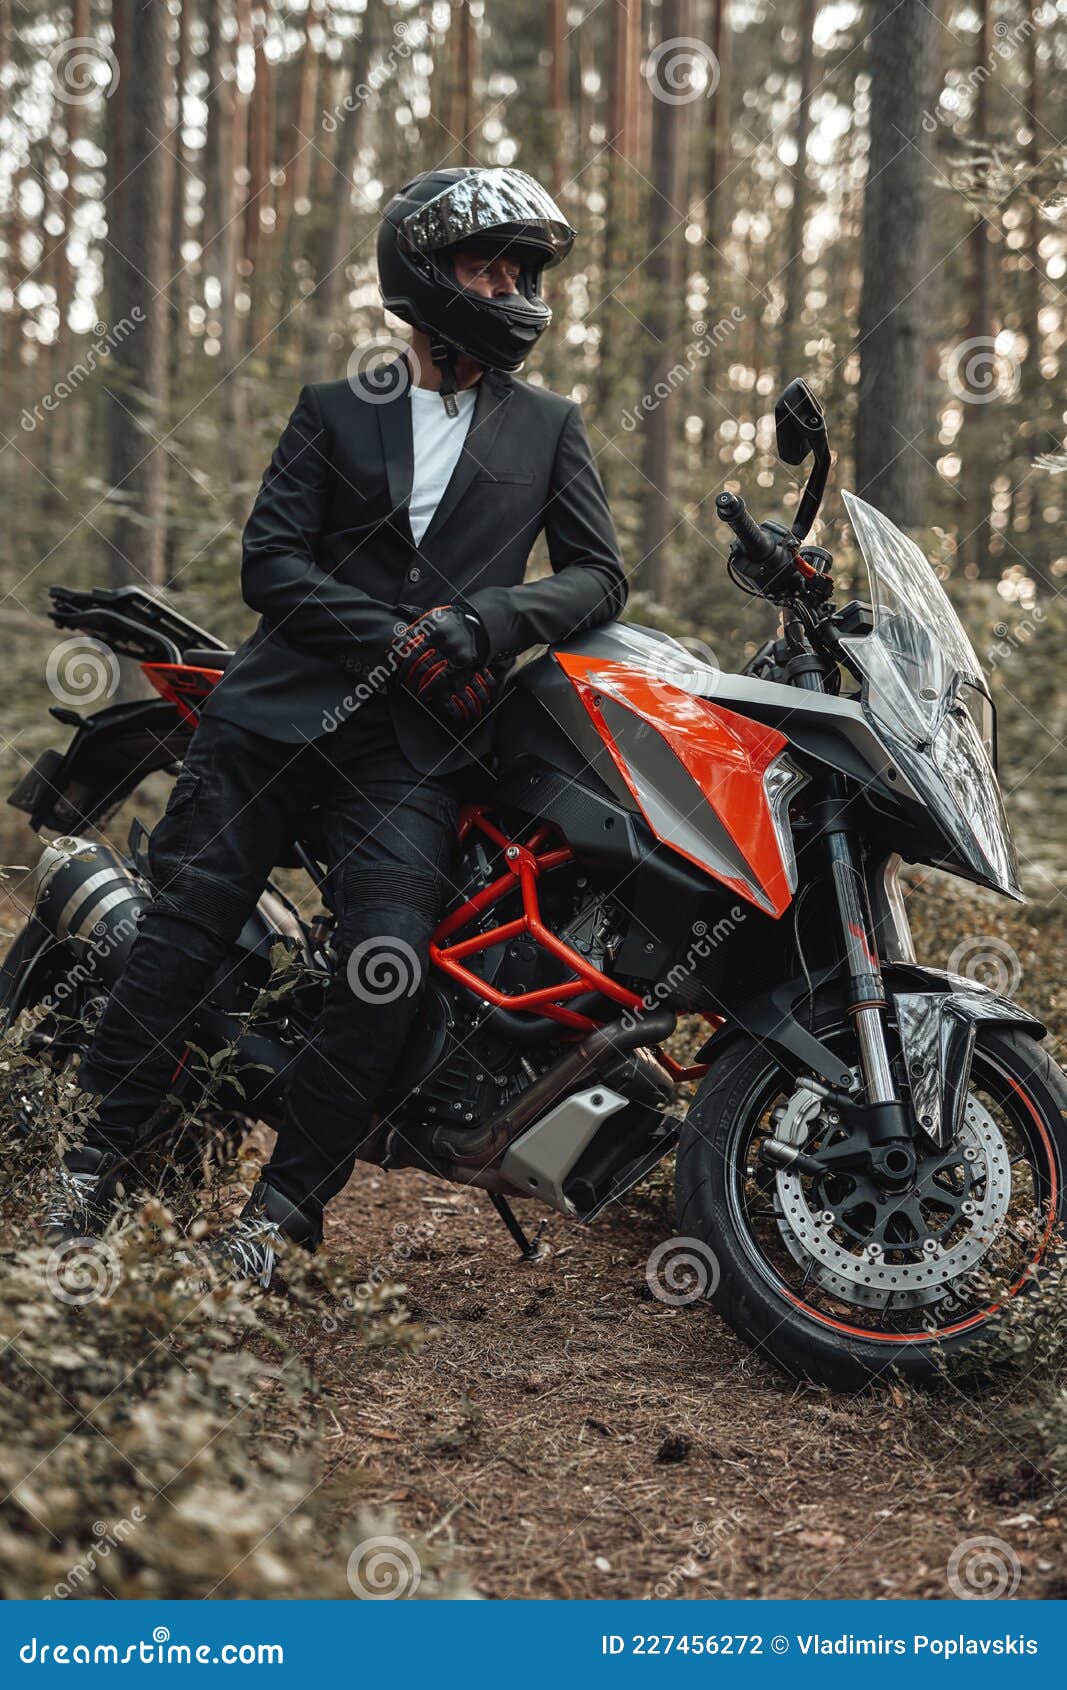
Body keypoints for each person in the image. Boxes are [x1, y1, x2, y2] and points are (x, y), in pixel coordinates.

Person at [40, 165, 628, 1284]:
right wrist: (397, 637)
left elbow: (599, 577)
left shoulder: (550, 428)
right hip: (269, 719)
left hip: (411, 758)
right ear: (422, 275)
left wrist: (489, 620)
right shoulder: (334, 407)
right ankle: (87, 1165)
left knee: (385, 966)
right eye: (486, 264)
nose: (507, 285)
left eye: (519, 268)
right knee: (182, 934)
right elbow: (272, 565)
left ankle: (277, 1220)